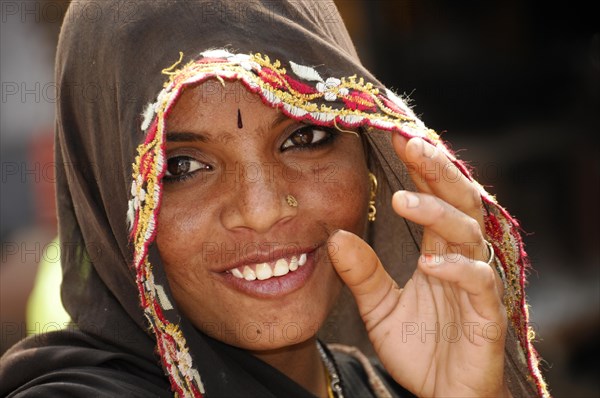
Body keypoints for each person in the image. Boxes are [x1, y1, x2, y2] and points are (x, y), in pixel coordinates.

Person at [0, 1, 549, 397]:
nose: (261, 210)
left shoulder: (379, 384)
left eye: (303, 138)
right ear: (108, 196)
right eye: (181, 167)